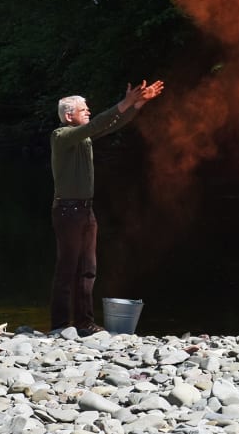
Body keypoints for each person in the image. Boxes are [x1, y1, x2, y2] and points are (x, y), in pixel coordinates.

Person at [50, 78, 164, 335]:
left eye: (88, 109)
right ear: (69, 116)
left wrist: (139, 105)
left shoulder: (84, 137)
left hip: (85, 211)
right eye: (83, 109)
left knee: (88, 269)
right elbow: (103, 120)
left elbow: (112, 124)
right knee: (68, 268)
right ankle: (59, 326)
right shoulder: (61, 136)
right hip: (67, 211)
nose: (88, 111)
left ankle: (84, 324)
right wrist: (125, 102)